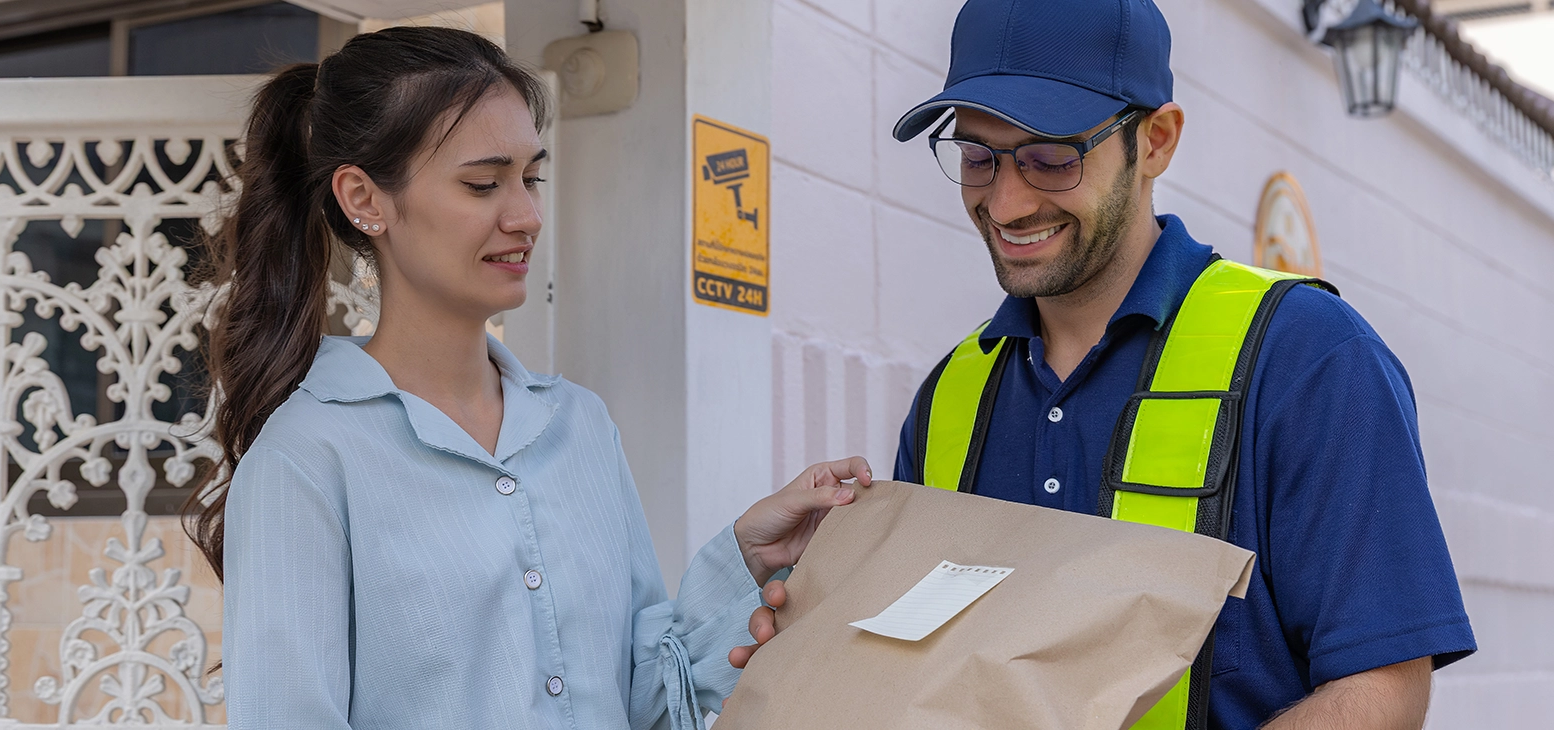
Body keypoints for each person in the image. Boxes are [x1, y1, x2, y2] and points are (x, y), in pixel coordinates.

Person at [182, 27, 868, 730]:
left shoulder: (581, 425)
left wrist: (742, 560)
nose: (527, 216)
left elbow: (644, 704)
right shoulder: (307, 457)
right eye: (483, 184)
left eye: (531, 178)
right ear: (365, 198)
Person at [871, 0, 1473, 727]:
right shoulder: (950, 396)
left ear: (1155, 141)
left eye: (1051, 158)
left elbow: (1383, 690)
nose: (1005, 201)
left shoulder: (1308, 358)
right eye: (977, 156)